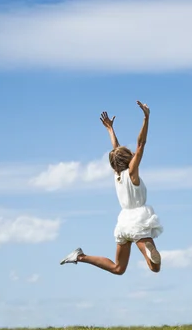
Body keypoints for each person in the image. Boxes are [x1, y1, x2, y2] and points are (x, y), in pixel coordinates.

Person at [59, 101, 164, 275]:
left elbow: (116, 150)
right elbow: (141, 144)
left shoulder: (118, 175)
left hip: (124, 222)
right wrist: (146, 118)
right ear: (128, 159)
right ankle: (147, 250)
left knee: (118, 268)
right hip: (139, 220)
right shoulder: (132, 173)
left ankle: (80, 257)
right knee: (155, 268)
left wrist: (110, 129)